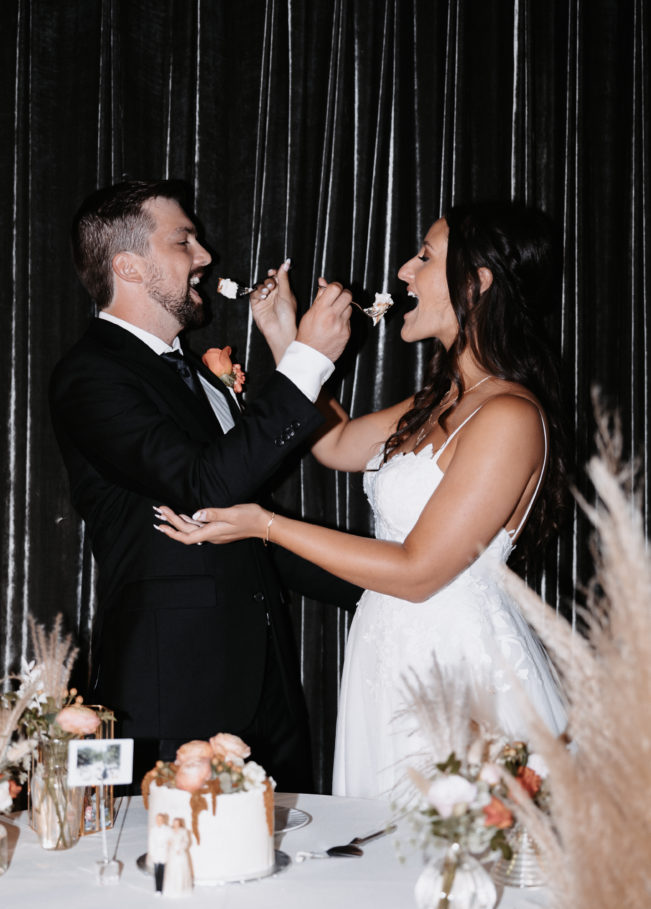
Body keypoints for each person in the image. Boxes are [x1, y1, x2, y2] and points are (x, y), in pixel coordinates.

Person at [155, 202, 570, 799]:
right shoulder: (439, 400)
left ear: (476, 283)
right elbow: (337, 443)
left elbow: (419, 572)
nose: (404, 271)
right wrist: (285, 333)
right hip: (387, 654)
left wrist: (266, 525)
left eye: (425, 257)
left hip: (456, 668)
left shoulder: (508, 415)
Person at [49, 178, 355, 793]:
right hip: (171, 692)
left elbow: (246, 522)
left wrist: (384, 587)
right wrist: (307, 359)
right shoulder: (91, 375)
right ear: (128, 267)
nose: (206, 255)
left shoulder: (193, 373)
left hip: (266, 685)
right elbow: (202, 484)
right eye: (183, 241)